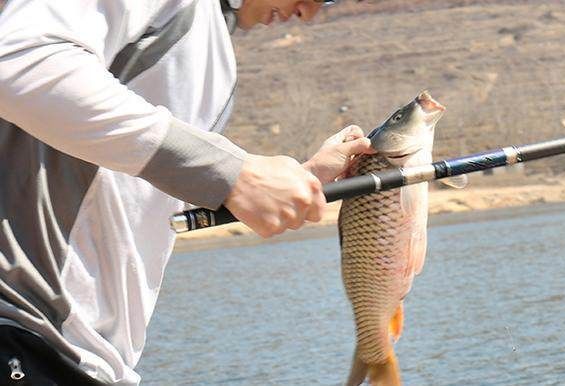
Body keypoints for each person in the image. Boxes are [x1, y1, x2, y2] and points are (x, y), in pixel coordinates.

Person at [0, 0, 372, 384]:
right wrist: (231, 172)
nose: (309, 13)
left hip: (85, 358)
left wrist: (299, 179)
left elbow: (130, 185)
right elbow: (20, 58)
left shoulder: (216, 54)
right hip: (24, 331)